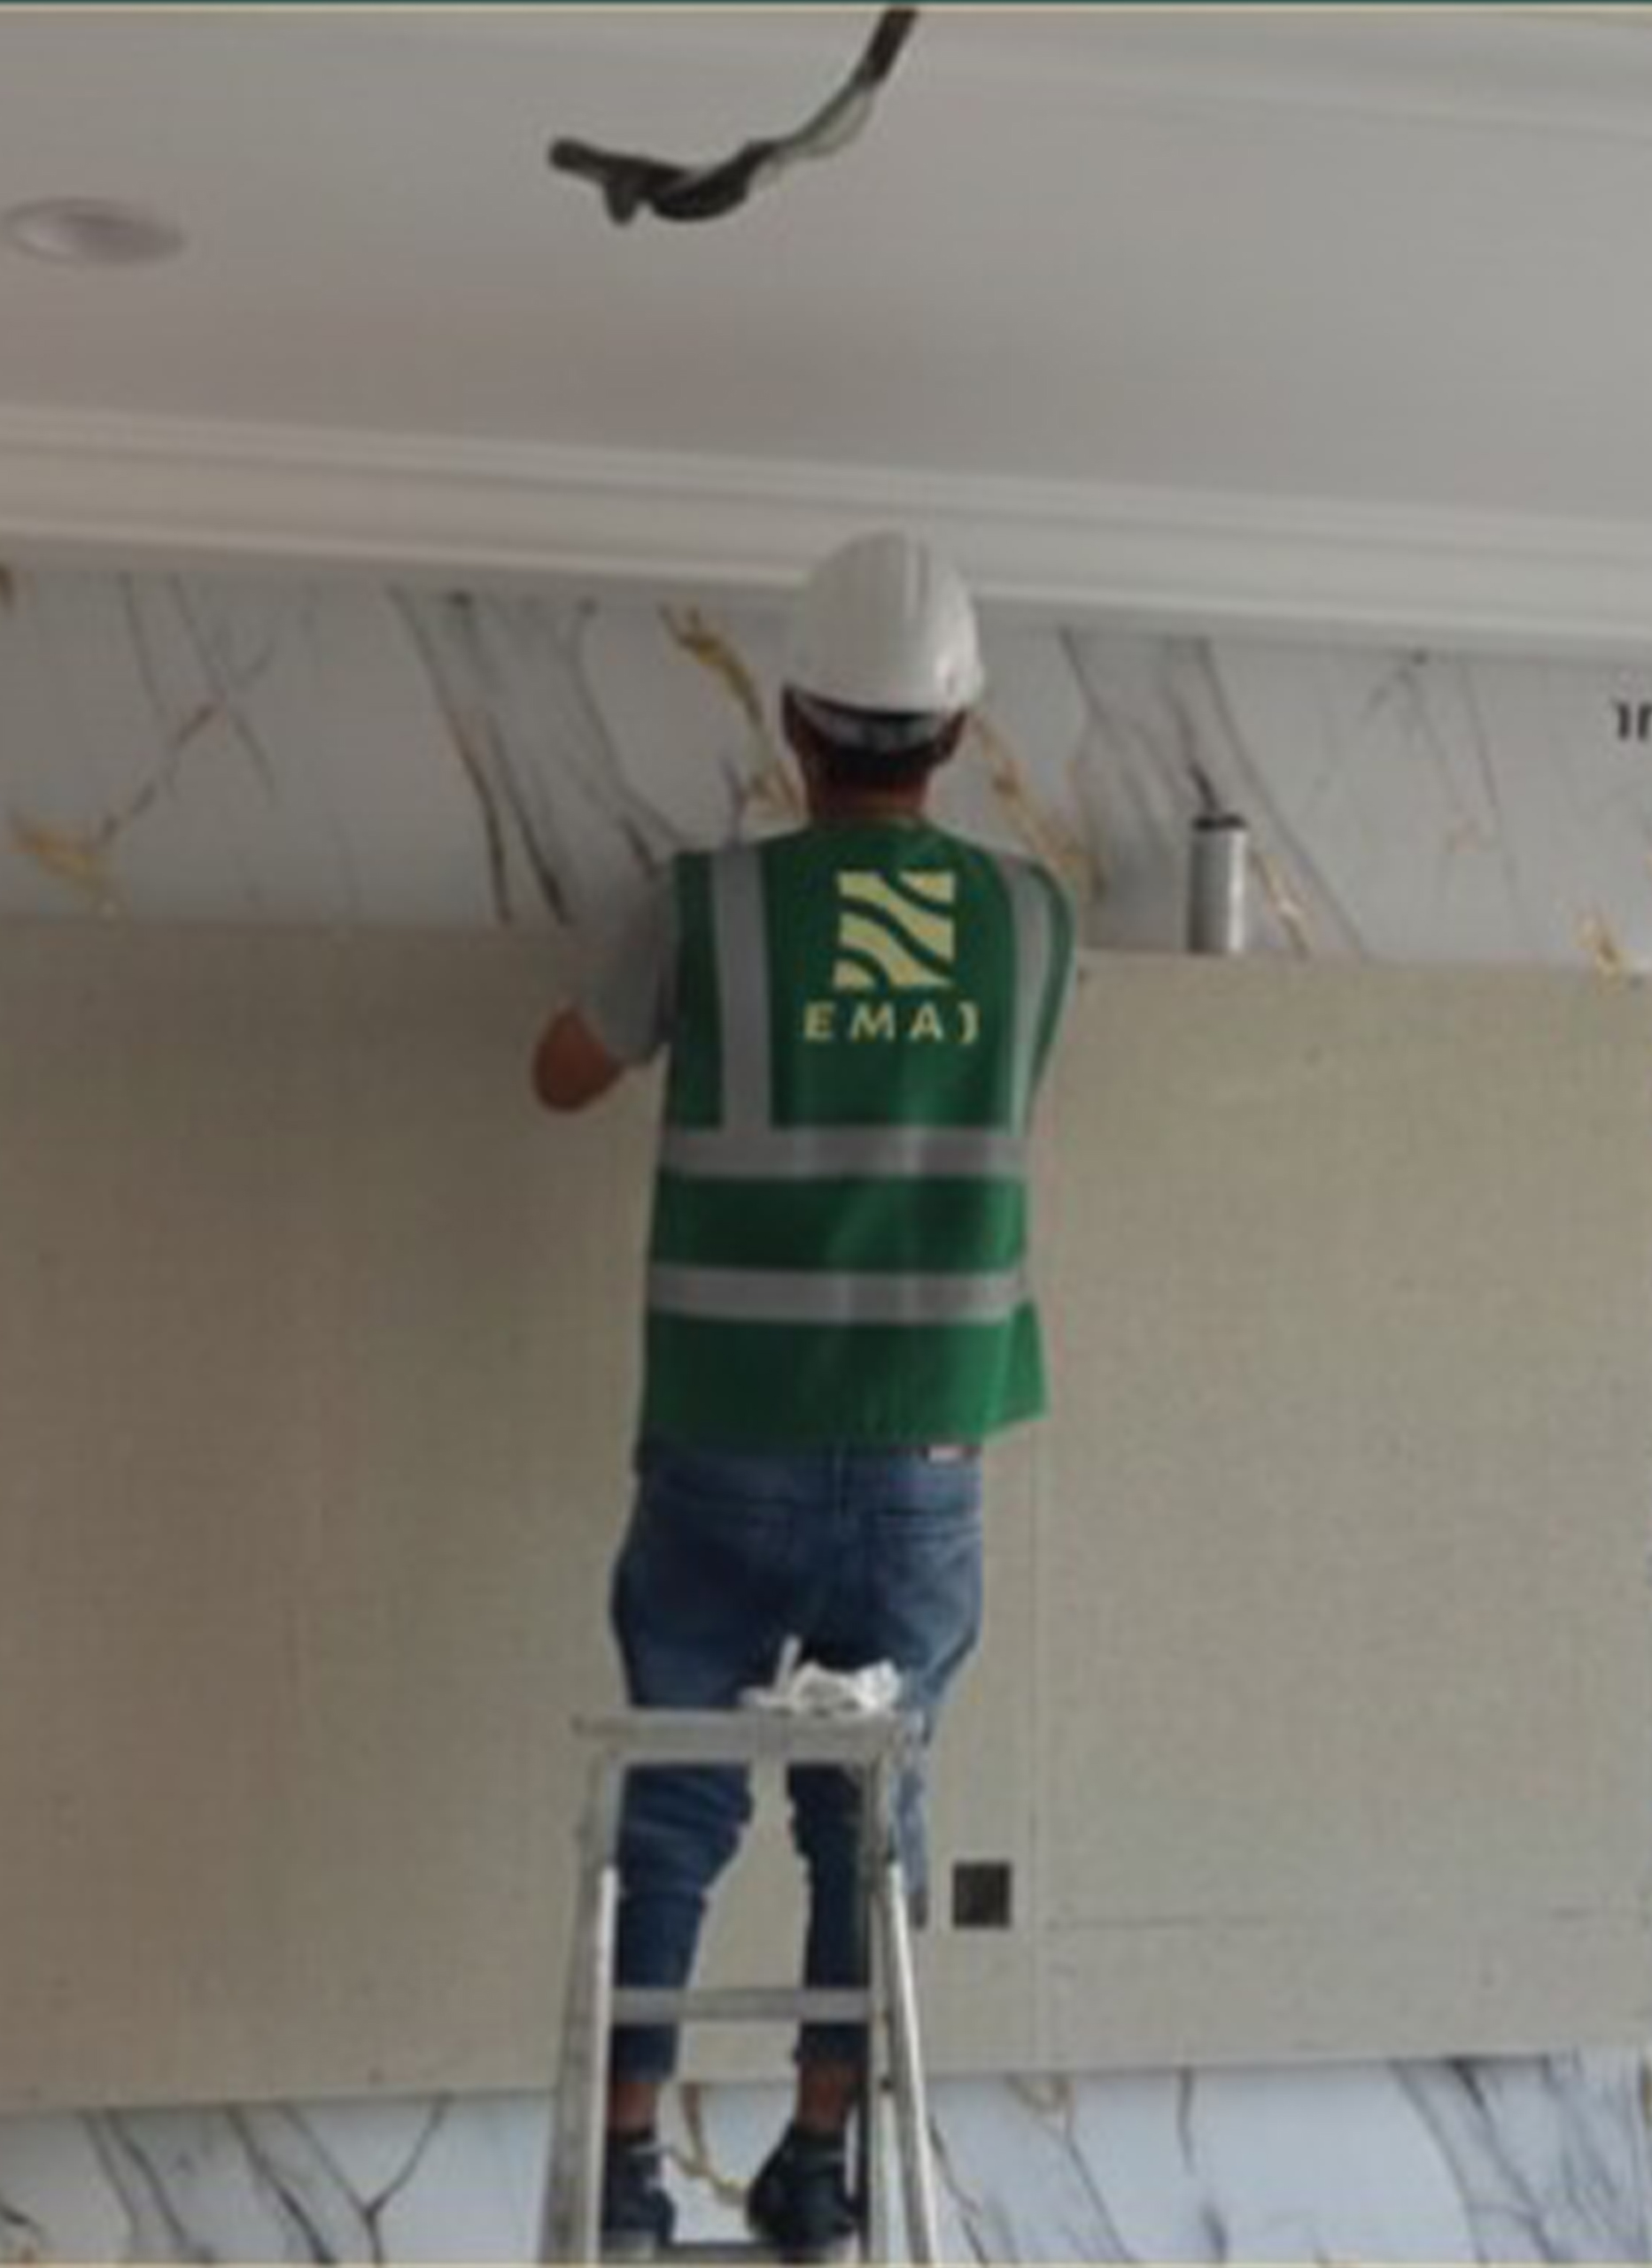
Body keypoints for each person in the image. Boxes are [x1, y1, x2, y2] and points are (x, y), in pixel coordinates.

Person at [531, 530, 1075, 2263]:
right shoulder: (1033, 921)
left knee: (677, 1806)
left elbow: (560, 1073)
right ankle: (819, 2163)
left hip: (723, 1445)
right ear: (961, 732)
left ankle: (627, 2166)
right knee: (867, 1820)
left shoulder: (703, 906)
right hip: (925, 1459)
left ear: (790, 722)